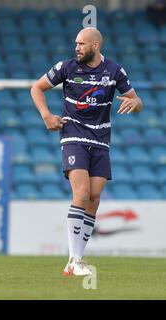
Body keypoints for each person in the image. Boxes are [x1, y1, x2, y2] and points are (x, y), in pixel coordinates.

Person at [30, 27, 143, 276]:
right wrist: (46, 115)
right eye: (76, 43)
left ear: (95, 46)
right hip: (73, 137)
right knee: (80, 195)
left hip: (101, 140)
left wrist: (134, 103)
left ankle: (76, 261)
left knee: (93, 200)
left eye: (81, 44)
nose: (77, 47)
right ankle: (72, 261)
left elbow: (137, 102)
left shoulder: (114, 71)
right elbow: (36, 88)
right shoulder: (66, 67)